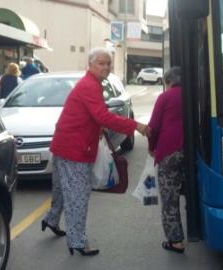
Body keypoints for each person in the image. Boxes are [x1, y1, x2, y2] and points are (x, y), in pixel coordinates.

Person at [42, 47, 150, 256]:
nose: (106, 67)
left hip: (64, 144)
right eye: (101, 63)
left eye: (108, 63)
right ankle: (78, 241)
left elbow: (90, 114)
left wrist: (96, 125)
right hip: (75, 148)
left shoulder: (90, 83)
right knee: (78, 196)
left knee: (62, 190)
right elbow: (102, 115)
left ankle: (51, 219)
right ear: (90, 65)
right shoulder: (90, 85)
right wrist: (135, 126)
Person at [147, 66, 186, 254]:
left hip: (169, 150)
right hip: (194, 148)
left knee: (170, 198)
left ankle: (176, 241)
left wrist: (151, 147)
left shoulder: (165, 97)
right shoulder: (193, 95)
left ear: (168, 81)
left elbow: (153, 127)